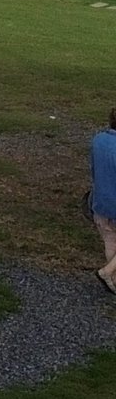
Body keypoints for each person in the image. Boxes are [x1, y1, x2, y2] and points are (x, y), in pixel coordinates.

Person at [93, 109, 116, 295]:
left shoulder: (98, 140)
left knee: (111, 242)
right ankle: (107, 272)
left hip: (100, 203)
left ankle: (113, 280)